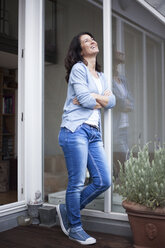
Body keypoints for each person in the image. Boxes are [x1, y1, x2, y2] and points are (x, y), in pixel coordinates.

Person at [56, 32, 116, 245]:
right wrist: (99, 99)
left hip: (93, 132)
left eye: (93, 38)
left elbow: (112, 101)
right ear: (80, 50)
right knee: (77, 183)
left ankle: (66, 209)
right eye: (86, 41)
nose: (92, 41)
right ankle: (75, 227)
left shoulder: (101, 75)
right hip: (75, 130)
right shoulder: (78, 69)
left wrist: (93, 99)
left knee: (103, 180)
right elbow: (84, 99)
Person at [112, 50, 134, 178]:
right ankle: (123, 181)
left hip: (124, 124)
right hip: (114, 125)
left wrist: (126, 104)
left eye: (117, 64)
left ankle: (121, 181)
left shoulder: (123, 80)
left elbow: (131, 100)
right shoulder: (107, 79)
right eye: (115, 63)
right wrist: (122, 103)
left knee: (122, 155)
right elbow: (113, 100)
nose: (116, 67)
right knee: (124, 156)